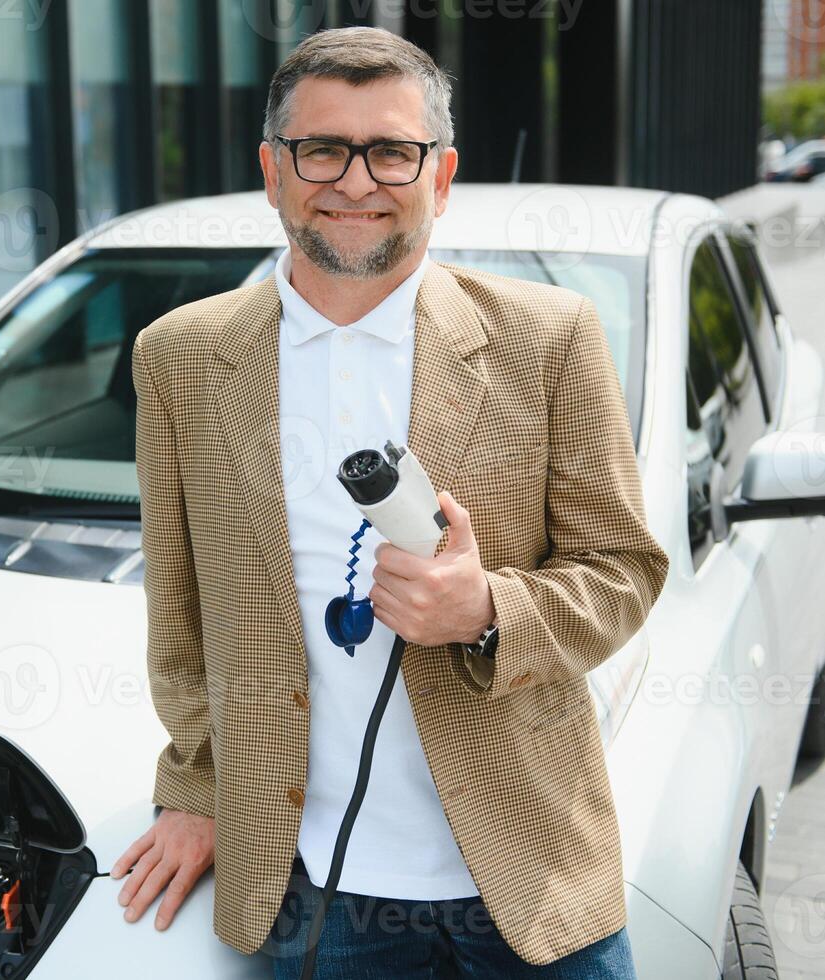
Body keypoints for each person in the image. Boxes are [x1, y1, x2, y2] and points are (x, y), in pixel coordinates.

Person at [109, 25, 670, 979]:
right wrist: (193, 787)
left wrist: (487, 609)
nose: (355, 181)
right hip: (309, 891)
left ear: (440, 176)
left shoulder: (548, 337)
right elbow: (180, 611)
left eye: (392, 152)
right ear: (272, 171)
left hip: (523, 876)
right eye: (320, 148)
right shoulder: (180, 357)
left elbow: (623, 574)